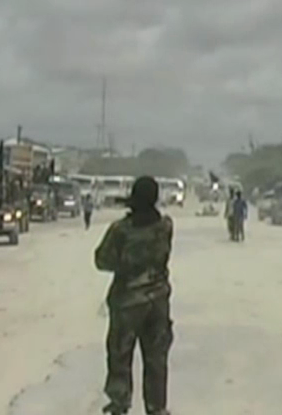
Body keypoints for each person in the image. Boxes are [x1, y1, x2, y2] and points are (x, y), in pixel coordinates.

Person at [95, 176, 174, 415]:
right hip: (158, 302)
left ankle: (119, 403)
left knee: (120, 355)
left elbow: (102, 260)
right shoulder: (165, 227)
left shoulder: (120, 230)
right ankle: (157, 407)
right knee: (156, 358)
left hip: (127, 303)